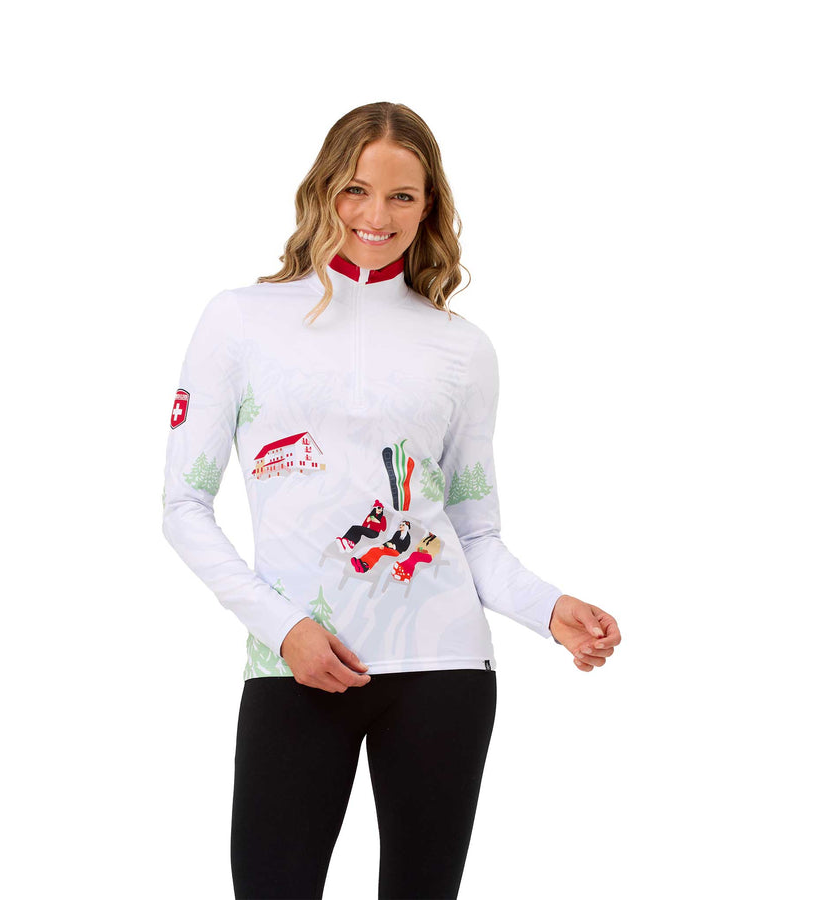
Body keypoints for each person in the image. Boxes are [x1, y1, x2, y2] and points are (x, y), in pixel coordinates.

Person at [162, 101, 622, 900]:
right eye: (356, 189)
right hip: (296, 665)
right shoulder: (238, 320)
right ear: (323, 190)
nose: (377, 215)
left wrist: (549, 609)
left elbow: (473, 533)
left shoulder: (462, 348)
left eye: (402, 195)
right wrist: (286, 629)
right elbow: (182, 508)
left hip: (444, 667)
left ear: (429, 204)